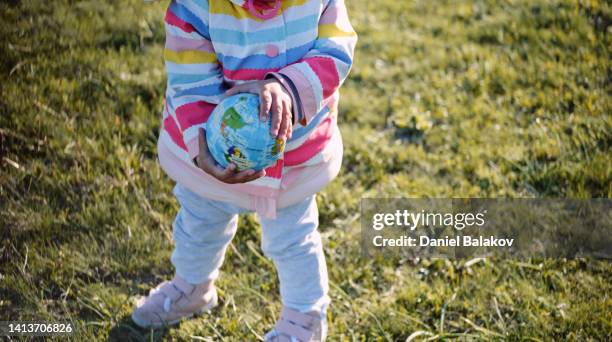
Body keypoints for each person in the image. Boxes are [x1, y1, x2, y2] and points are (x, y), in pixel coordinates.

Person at [132, 0, 356, 340]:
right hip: (212, 155)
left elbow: (336, 49)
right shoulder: (196, 6)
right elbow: (189, 79)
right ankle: (193, 287)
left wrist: (288, 87)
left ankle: (304, 320)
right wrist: (200, 149)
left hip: (292, 156)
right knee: (198, 223)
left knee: (293, 238)